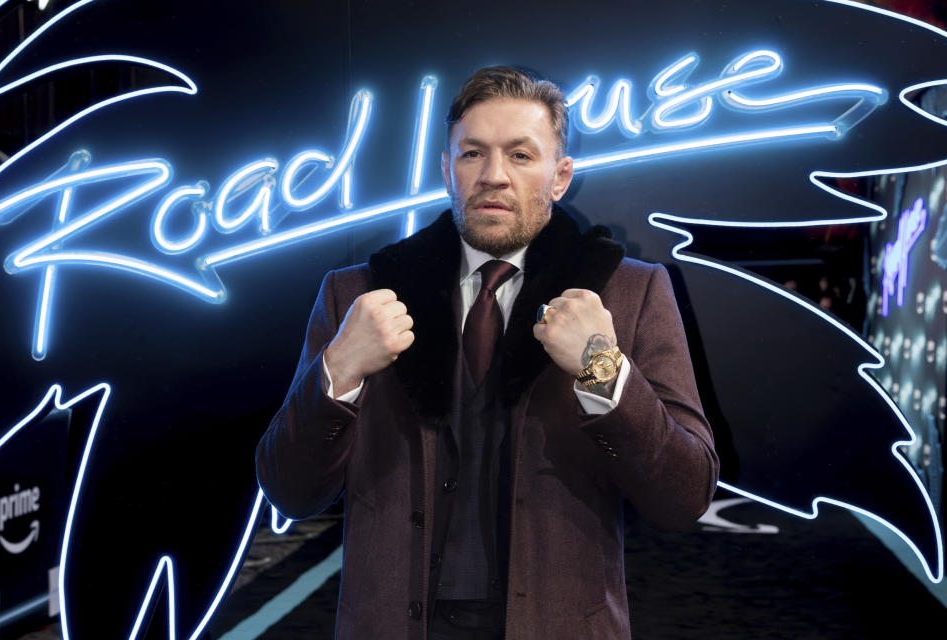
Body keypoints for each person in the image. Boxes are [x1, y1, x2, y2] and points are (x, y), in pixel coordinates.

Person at [256, 66, 718, 640]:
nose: (493, 176)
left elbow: (683, 496)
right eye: (473, 154)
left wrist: (602, 369)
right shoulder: (356, 296)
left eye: (521, 155)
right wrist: (338, 372)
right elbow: (288, 490)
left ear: (560, 176)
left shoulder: (630, 292)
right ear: (447, 169)